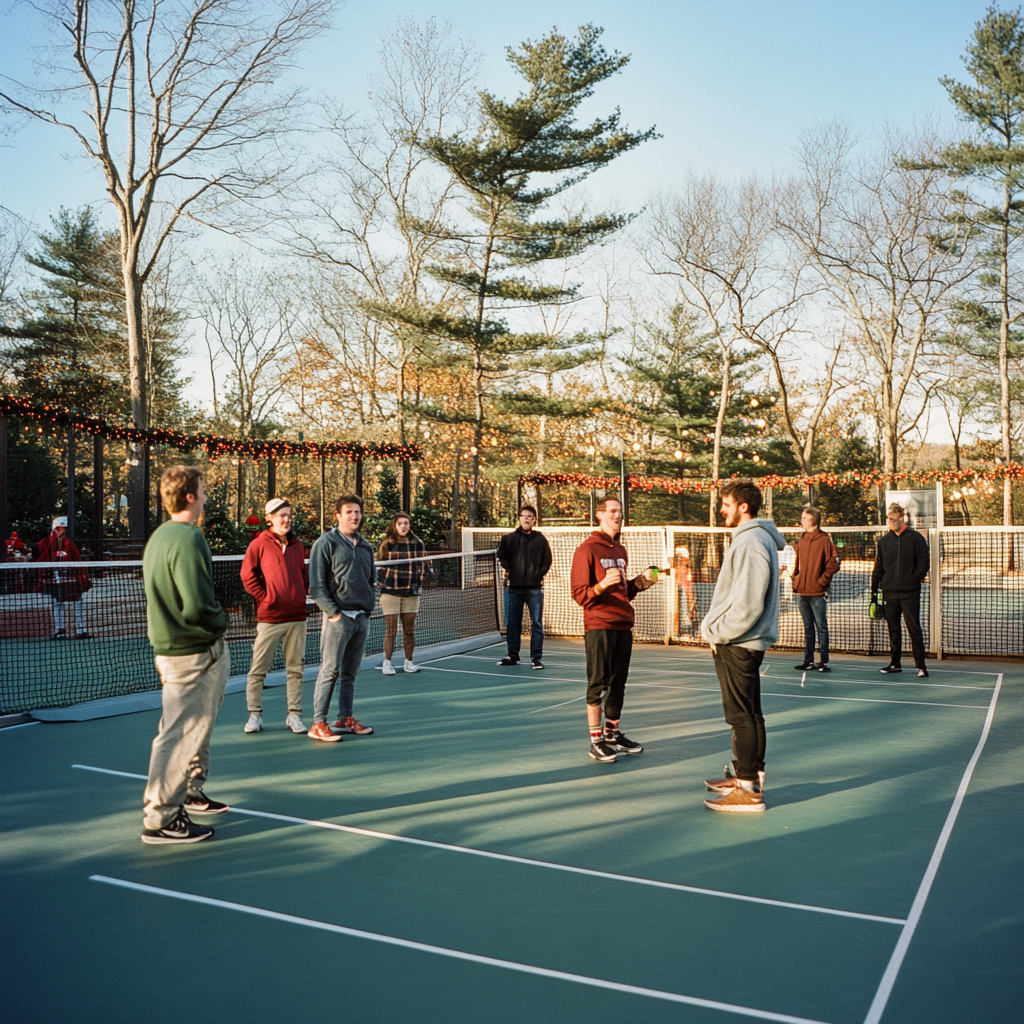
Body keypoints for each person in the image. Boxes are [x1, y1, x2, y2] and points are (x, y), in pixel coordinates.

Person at [141, 466, 231, 845]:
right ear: (190, 496)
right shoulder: (189, 537)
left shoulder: (160, 537)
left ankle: (190, 792)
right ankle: (161, 818)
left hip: (177, 651)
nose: (207, 495)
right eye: (204, 489)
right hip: (192, 652)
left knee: (186, 731)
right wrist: (221, 622)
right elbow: (197, 605)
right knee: (179, 734)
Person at [701, 480, 785, 813]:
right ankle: (748, 775)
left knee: (740, 716)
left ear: (743, 507)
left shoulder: (751, 541)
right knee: (750, 713)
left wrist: (718, 632)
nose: (722, 509)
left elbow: (749, 603)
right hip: (742, 641)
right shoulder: (754, 539)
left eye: (726, 504)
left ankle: (748, 790)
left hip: (738, 642)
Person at [570, 497, 655, 763]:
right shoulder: (586, 550)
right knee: (598, 684)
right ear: (599, 515)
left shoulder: (620, 550)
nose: (619, 515)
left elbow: (622, 592)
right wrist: (602, 585)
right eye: (613, 511)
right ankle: (595, 741)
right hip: (599, 626)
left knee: (618, 684)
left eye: (621, 511)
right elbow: (580, 594)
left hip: (622, 625)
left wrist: (638, 584)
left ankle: (612, 735)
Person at [308, 494, 376, 742]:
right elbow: (316, 586)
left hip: (361, 618)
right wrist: (334, 614)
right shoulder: (325, 543)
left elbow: (371, 580)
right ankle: (318, 723)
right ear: (338, 515)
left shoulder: (366, 545)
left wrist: (368, 610)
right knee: (330, 671)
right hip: (339, 618)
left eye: (357, 511)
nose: (354, 516)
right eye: (349, 512)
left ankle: (344, 719)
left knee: (350, 673)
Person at [240, 497, 310, 735]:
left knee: (296, 669)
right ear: (269, 518)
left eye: (289, 515)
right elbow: (247, 576)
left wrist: (301, 595)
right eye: (282, 515)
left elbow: (303, 576)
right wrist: (265, 598)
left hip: (297, 618)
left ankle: (294, 715)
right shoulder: (258, 545)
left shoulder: (298, 547)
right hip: (269, 618)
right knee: (258, 669)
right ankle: (255, 715)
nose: (287, 519)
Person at [871, 502, 930, 678]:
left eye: (894, 519)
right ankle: (895, 663)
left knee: (914, 629)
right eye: (889, 520)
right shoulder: (883, 542)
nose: (892, 522)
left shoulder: (916, 538)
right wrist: (874, 592)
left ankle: (921, 666)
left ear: (902, 517)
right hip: (889, 593)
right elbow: (878, 568)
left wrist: (913, 579)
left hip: (909, 593)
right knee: (893, 630)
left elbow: (924, 563)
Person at [496, 505, 552, 669]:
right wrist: (511, 572)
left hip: (534, 589)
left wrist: (537, 574)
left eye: (530, 516)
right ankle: (513, 655)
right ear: (519, 518)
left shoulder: (540, 539)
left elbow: (547, 560)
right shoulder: (508, 539)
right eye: (524, 516)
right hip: (513, 589)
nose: (526, 519)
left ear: (534, 520)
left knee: (536, 624)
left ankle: (536, 658)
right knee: (513, 624)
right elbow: (502, 557)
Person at [791, 506, 840, 673]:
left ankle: (823, 661)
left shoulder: (825, 540)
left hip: (817, 593)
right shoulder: (802, 539)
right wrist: (796, 580)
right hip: (802, 592)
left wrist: (822, 582)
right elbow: (798, 564)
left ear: (814, 520)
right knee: (808, 628)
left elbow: (833, 564)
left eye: (805, 518)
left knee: (821, 627)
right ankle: (808, 659)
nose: (802, 520)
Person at [376, 512, 426, 676]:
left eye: (406, 523)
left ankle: (409, 662)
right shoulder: (388, 544)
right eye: (400, 524)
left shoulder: (417, 543)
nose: (404, 526)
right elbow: (378, 565)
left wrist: (418, 583)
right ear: (395, 526)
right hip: (390, 593)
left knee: (409, 630)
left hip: (411, 593)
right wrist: (384, 582)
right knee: (391, 629)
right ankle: (387, 662)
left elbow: (422, 565)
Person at [35, 516, 90, 639]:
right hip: (55, 580)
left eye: (64, 529)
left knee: (79, 602)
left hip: (70, 579)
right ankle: (59, 630)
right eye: (60, 528)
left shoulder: (68, 544)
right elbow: (39, 556)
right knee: (57, 603)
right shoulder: (46, 543)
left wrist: (81, 575)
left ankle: (81, 630)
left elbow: (77, 560)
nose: (62, 531)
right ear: (55, 528)